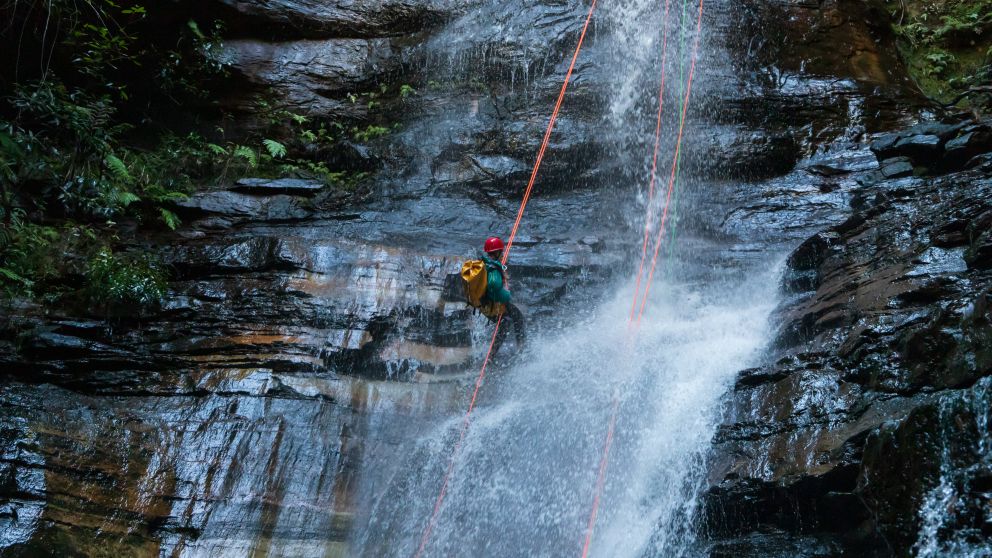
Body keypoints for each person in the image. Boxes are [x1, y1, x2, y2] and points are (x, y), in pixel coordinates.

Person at [480, 236, 526, 355]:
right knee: (506, 322)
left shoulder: (487, 263)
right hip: (492, 304)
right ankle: (492, 355)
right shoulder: (493, 267)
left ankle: (520, 347)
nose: (504, 253)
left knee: (517, 316)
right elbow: (494, 286)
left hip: (486, 302)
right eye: (502, 251)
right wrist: (506, 294)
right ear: (497, 252)